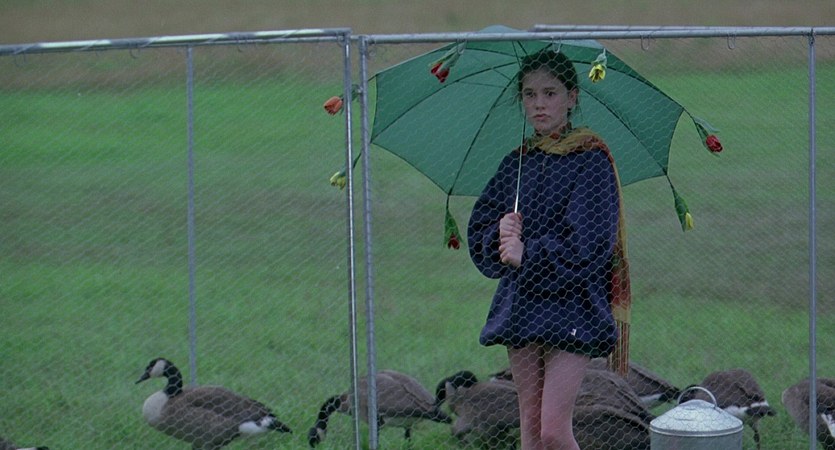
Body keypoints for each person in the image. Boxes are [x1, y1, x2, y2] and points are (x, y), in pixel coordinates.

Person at [467, 49, 629, 450]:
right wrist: (499, 232)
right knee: (531, 426)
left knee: (553, 430)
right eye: (530, 94)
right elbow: (481, 229)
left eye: (550, 93)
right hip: (522, 304)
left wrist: (528, 254)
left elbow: (591, 245)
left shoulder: (591, 161)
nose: (539, 104)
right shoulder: (516, 164)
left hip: (572, 305)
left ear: (572, 97)